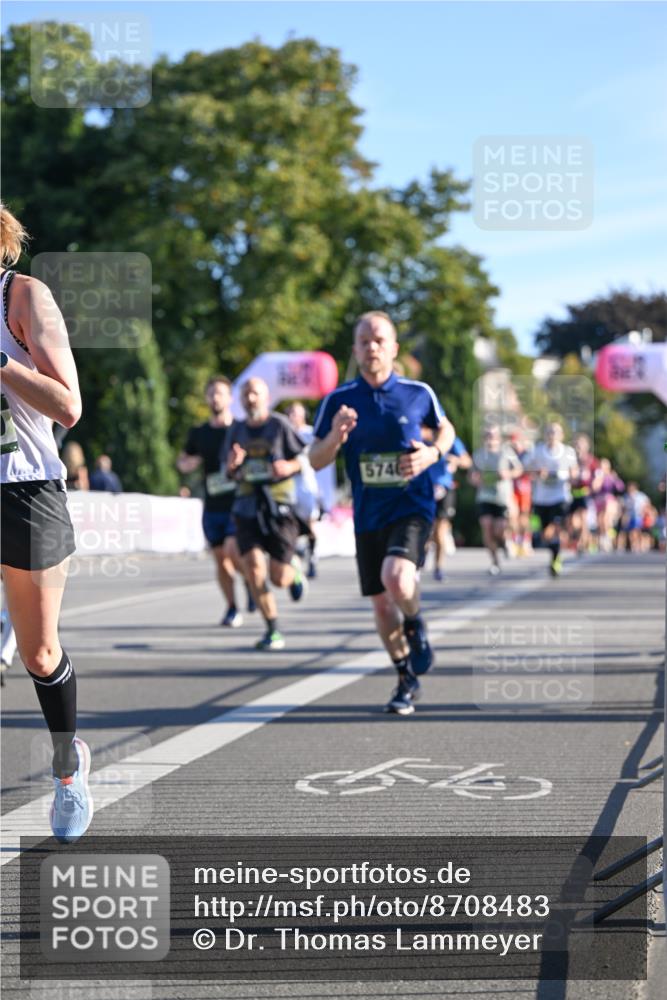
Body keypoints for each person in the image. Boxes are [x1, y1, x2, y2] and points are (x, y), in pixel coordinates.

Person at [0, 202, 92, 842]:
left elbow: (68, 406)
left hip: (25, 489)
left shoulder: (25, 296)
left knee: (37, 652)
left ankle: (67, 766)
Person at [310, 311, 455, 716]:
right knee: (380, 605)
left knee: (397, 577)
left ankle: (416, 621)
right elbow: (316, 459)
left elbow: (447, 430)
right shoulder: (338, 401)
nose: (371, 347)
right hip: (368, 514)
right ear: (355, 351)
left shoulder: (417, 393)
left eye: (379, 341)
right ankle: (405, 677)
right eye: (364, 342)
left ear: (393, 349)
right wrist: (336, 437)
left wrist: (432, 453)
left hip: (411, 504)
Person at [224, 377, 308, 650]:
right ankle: (272, 629)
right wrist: (233, 466)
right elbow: (227, 470)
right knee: (253, 568)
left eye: (255, 394)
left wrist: (289, 467)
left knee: (278, 578)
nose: (250, 399)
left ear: (266, 397)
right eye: (246, 394)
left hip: (279, 505)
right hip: (247, 505)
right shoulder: (236, 429)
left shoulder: (279, 425)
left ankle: (294, 572)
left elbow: (305, 458)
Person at [177, 375, 251, 627]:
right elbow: (183, 460)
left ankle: (250, 580)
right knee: (221, 559)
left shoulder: (240, 429)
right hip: (212, 504)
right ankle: (232, 607)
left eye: (220, 393)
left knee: (233, 550)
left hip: (238, 502)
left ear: (230, 398)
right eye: (211, 393)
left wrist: (240, 462)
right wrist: (188, 463)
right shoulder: (199, 433)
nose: (215, 398)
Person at [469, 425, 523, 576]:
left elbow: (519, 469)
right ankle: (495, 562)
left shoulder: (506, 452)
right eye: (487, 435)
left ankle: (505, 541)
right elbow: (471, 475)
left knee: (500, 529)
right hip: (484, 496)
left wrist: (507, 474)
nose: (490, 438)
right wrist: (474, 479)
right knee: (487, 527)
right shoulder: (479, 454)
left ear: (498, 438)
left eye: (493, 435)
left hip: (502, 496)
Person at [528, 422, 578, 576]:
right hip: (542, 498)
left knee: (555, 528)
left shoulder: (568, 452)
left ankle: (556, 558)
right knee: (546, 534)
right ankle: (556, 555)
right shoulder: (537, 451)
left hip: (560, 496)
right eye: (549, 432)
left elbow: (574, 472)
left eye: (555, 432)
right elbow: (527, 471)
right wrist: (538, 473)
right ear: (545, 435)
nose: (552, 435)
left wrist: (570, 477)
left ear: (561, 435)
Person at [428, 434, 471, 581]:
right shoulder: (420, 436)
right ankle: (418, 562)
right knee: (425, 530)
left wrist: (455, 460)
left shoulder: (450, 438)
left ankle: (438, 567)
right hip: (424, 489)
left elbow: (467, 461)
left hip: (444, 489)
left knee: (440, 530)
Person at [286, 401, 321, 579]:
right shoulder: (283, 431)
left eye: (297, 413)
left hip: (306, 483)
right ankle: (296, 556)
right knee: (290, 520)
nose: (293, 416)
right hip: (289, 483)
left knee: (310, 521)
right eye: (291, 412)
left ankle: (312, 555)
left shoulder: (310, 433)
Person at [567, 433, 598, 555]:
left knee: (583, 519)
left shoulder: (591, 460)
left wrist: (594, 485)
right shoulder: (571, 460)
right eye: (576, 444)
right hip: (572, 493)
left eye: (580, 444)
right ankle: (587, 538)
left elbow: (598, 475)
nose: (578, 447)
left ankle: (582, 543)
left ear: (587, 446)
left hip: (585, 492)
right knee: (572, 521)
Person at [509, 429, 534, 556]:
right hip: (511, 489)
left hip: (524, 489)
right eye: (513, 443)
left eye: (517, 443)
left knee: (524, 518)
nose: (515, 446)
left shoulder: (528, 455)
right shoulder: (509, 455)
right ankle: (515, 541)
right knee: (513, 516)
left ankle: (526, 541)